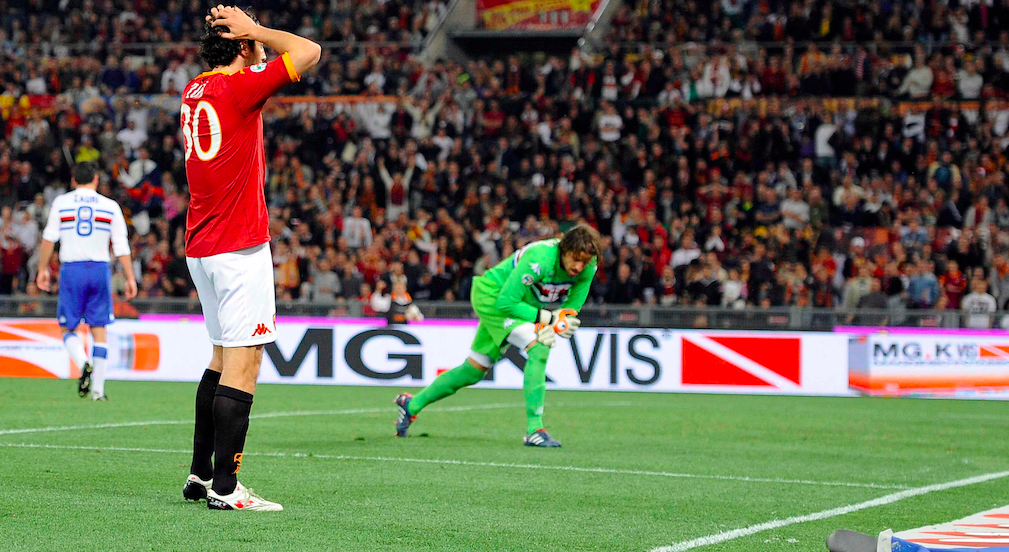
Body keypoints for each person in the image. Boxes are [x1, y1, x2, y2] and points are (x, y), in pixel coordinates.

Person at [180, 5, 320, 512]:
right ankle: (226, 488)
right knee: (245, 364)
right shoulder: (239, 88)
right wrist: (255, 29)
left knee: (220, 357)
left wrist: (243, 32)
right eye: (252, 41)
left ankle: (200, 475)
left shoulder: (194, 89)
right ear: (242, 44)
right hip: (238, 247)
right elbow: (309, 51)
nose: (260, 46)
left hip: (202, 244)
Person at [394, 225, 601, 447]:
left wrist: (562, 320)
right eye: (575, 259)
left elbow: (570, 308)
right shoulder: (539, 258)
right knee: (539, 347)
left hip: (521, 307)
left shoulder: (588, 267)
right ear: (564, 249)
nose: (579, 266)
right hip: (492, 297)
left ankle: (411, 405)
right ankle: (535, 430)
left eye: (585, 262)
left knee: (472, 371)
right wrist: (547, 320)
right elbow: (506, 302)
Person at [35, 162, 137, 401]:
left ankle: (83, 363)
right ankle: (98, 392)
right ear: (96, 179)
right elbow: (121, 246)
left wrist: (42, 268)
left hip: (72, 270)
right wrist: (130, 277)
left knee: (67, 328)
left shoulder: (62, 203)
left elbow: (49, 238)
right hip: (99, 270)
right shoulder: (110, 206)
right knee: (99, 329)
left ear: (73, 180)